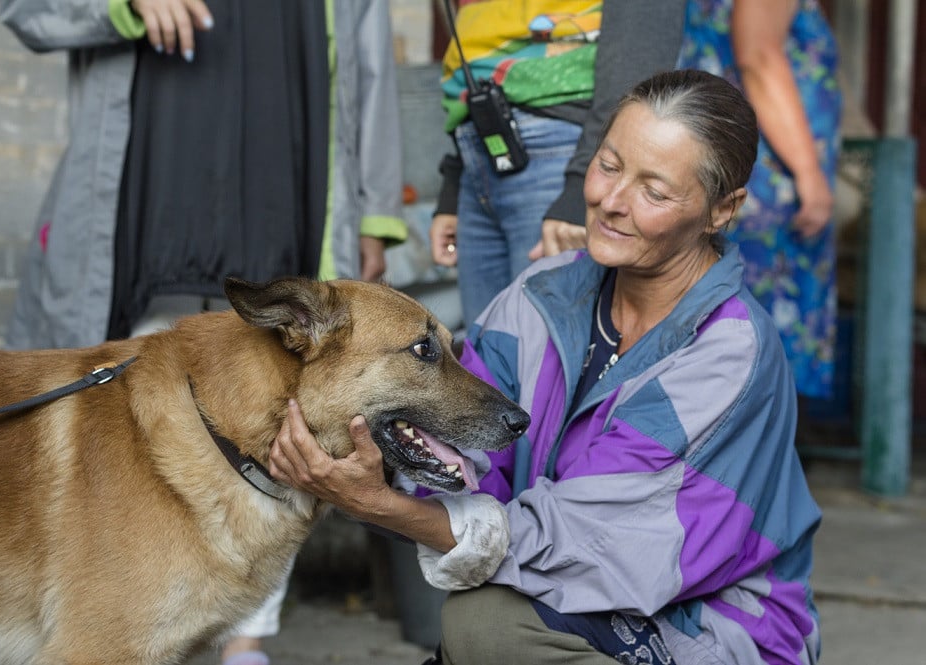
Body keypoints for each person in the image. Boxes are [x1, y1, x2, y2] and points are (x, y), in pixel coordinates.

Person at [267, 70, 822, 665]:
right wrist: (379, 462)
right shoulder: (540, 296)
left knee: (487, 627)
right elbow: (465, 455)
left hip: (710, 627)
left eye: (654, 192)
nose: (611, 202)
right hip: (572, 601)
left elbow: (600, 547)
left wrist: (381, 505)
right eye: (608, 165)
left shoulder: (726, 351)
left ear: (722, 210)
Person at [0, 2, 407, 664]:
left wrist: (375, 211)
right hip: (145, 200)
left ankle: (246, 640)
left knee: (286, 419)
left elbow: (369, 66)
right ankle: (102, 617)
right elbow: (26, 12)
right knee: (116, 432)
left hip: (288, 199)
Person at [1, 0, 407, 349]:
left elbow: (370, 65)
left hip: (287, 236)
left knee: (274, 420)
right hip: (142, 231)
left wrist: (374, 214)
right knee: (118, 418)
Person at [427, 0, 687, 328]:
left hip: (568, 149)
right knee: (485, 358)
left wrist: (587, 182)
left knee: (551, 357)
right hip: (478, 149)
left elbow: (643, 32)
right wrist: (455, 178)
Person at [676, 0, 842, 399]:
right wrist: (808, 172)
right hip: (765, 179)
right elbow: (759, 58)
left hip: (731, 164)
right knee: (748, 351)